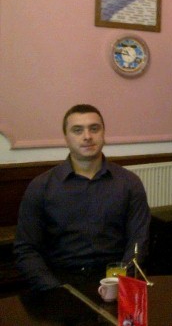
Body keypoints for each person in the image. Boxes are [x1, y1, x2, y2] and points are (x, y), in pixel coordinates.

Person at [14, 104, 151, 291]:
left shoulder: (129, 183)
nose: (87, 136)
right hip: (59, 283)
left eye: (94, 128)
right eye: (77, 130)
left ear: (103, 133)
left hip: (116, 279)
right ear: (66, 138)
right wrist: (55, 289)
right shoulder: (41, 187)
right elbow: (26, 249)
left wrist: (120, 283)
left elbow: (138, 241)